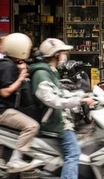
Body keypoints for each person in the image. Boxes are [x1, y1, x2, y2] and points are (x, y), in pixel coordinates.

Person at [30, 38, 95, 179]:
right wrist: (78, 100)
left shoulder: (50, 71)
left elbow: (60, 92)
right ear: (55, 55)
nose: (65, 55)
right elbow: (53, 100)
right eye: (63, 52)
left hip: (60, 118)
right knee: (73, 153)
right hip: (55, 123)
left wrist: (83, 95)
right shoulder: (41, 74)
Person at [0, 33, 40, 173]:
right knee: (32, 126)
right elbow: (5, 92)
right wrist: (21, 77)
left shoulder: (9, 64)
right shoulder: (7, 66)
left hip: (6, 109)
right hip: (3, 111)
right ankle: (15, 160)